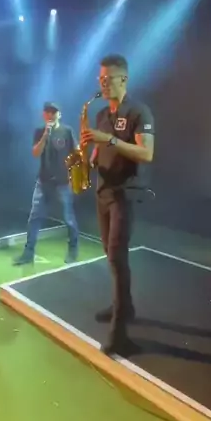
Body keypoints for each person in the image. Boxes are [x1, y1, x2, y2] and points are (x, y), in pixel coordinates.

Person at [81, 54, 155, 356]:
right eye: (100, 79)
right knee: (110, 255)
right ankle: (124, 305)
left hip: (125, 193)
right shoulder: (101, 114)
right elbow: (100, 149)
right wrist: (88, 160)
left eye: (108, 79)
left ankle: (120, 332)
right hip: (103, 192)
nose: (103, 84)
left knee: (116, 256)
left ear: (124, 79)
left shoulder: (139, 111)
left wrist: (109, 140)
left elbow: (146, 153)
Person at [13, 102, 79, 266]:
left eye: (53, 112)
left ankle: (73, 249)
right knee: (34, 218)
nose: (50, 115)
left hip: (63, 182)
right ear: (43, 115)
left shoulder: (67, 131)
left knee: (68, 218)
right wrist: (44, 136)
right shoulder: (39, 131)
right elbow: (36, 153)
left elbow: (77, 153)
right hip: (43, 182)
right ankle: (28, 253)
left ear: (59, 114)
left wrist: (73, 173)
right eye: (47, 112)